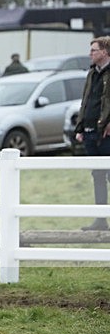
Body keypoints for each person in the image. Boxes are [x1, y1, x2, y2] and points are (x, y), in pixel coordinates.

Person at [75, 36, 110, 231]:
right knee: (97, 176)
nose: (90, 54)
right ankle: (101, 220)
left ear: (104, 52)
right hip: (90, 132)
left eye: (94, 50)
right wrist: (80, 127)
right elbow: (86, 101)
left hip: (106, 134)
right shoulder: (92, 74)